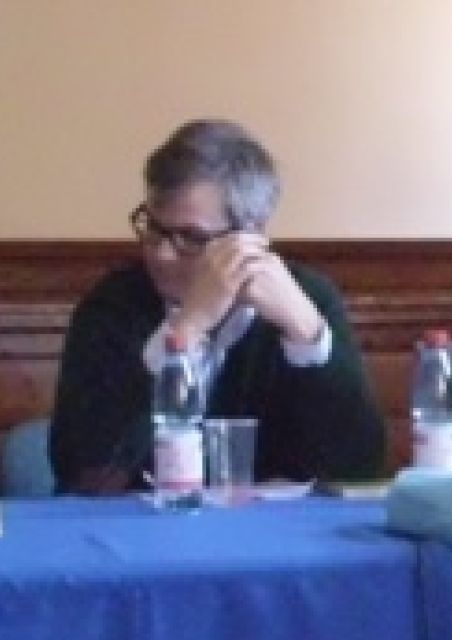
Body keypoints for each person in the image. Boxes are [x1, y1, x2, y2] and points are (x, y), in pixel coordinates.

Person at [51, 119, 385, 493]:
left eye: (190, 237)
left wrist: (308, 336)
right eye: (154, 228)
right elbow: (85, 470)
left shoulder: (309, 298)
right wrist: (186, 330)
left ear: (250, 236)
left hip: (274, 526)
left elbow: (360, 469)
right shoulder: (111, 305)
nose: (161, 254)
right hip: (145, 524)